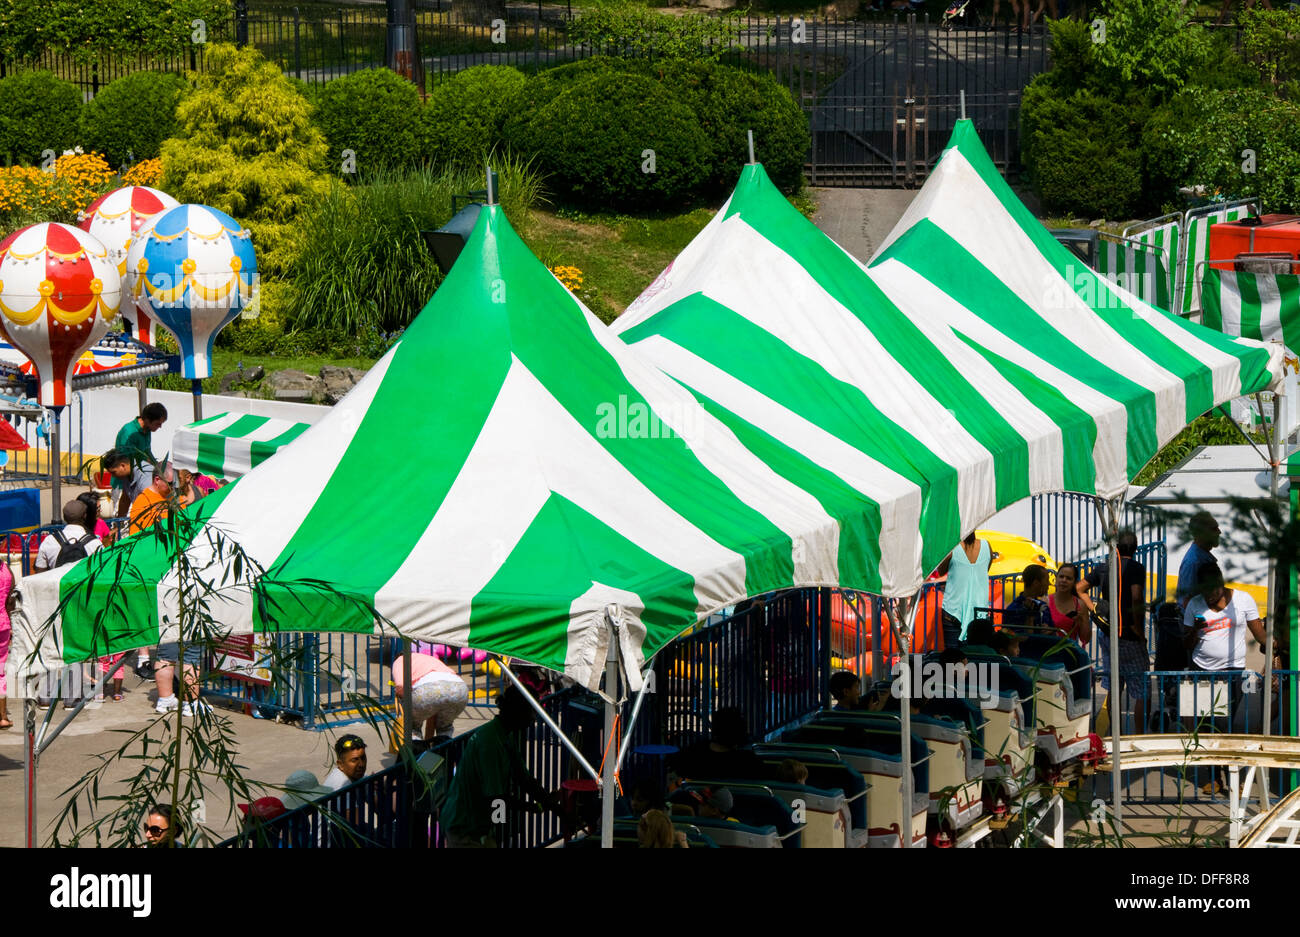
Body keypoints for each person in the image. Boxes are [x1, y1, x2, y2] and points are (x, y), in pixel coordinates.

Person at [1183, 565, 1268, 795]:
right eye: (1204, 592)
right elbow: (1186, 645)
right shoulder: (1194, 604)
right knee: (1206, 726)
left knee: (1224, 725)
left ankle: (1233, 776)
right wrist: (1194, 631)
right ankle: (1212, 776)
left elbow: (1259, 633)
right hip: (1201, 669)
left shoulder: (1243, 600)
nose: (1209, 597)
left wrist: (1276, 649)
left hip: (1231, 672)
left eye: (1212, 591)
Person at [442, 687, 558, 848]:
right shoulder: (490, 743)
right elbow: (497, 800)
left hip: (480, 825)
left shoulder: (504, 734)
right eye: (531, 712)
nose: (533, 718)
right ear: (517, 712)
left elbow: (523, 778)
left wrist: (551, 804)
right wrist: (531, 808)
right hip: (465, 827)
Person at [1079, 530, 1149, 733]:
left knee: (1114, 688)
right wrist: (1138, 628)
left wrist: (1093, 609)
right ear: (1135, 549)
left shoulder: (1104, 567)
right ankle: (1138, 735)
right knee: (1141, 689)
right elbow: (1136, 597)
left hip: (1107, 633)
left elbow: (1079, 588)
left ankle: (1115, 734)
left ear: (1116, 548)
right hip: (1129, 635)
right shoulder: (1136, 568)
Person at [391, 650, 470, 743]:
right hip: (459, 689)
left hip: (429, 689)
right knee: (444, 727)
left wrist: (402, 697)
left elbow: (400, 684)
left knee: (412, 726)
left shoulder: (400, 660)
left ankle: (416, 753)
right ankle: (444, 752)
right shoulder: (427, 658)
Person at [937, 532, 992, 649]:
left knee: (952, 660)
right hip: (980, 612)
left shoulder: (952, 548)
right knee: (979, 658)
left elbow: (941, 570)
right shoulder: (986, 546)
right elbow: (986, 567)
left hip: (953, 610)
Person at [112, 402, 167, 517]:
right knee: (123, 503)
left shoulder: (147, 431)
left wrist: (159, 468)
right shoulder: (129, 432)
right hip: (125, 478)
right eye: (158, 424)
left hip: (138, 475)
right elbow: (125, 459)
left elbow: (148, 452)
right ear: (147, 419)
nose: (160, 427)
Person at [33, 499, 102, 573]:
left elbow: (40, 571)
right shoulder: (95, 543)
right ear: (85, 516)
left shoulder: (49, 540)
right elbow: (102, 571)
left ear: (64, 517)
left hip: (57, 584)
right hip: (83, 584)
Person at [1177, 512, 1221, 610]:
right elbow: (1187, 603)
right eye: (1214, 529)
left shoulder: (1202, 557)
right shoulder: (1194, 562)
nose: (1219, 532)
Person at [1048, 562, 1093, 644]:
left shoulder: (1080, 605)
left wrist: (1081, 622)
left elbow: (1086, 639)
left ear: (1074, 582)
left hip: (1069, 653)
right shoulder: (1046, 601)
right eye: (1061, 577)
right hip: (1047, 653)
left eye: (1068, 578)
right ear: (1056, 579)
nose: (1064, 580)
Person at [1001, 564, 1052, 629]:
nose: (1048, 584)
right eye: (1047, 580)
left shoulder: (1043, 607)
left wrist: (1050, 632)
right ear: (1036, 583)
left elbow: (1054, 631)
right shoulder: (1013, 610)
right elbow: (1010, 636)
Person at [129, 464, 174, 535]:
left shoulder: (175, 496)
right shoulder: (143, 503)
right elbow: (138, 538)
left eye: (176, 482)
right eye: (170, 483)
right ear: (157, 480)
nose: (173, 487)